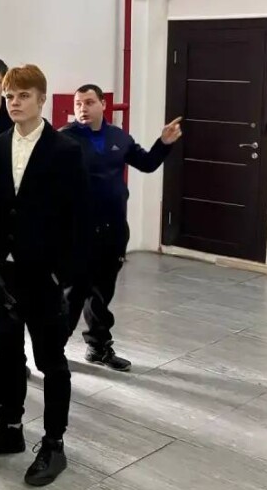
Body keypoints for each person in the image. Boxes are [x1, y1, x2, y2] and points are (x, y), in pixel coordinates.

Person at [0, 65, 88, 488]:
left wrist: (64, 275)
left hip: (45, 275)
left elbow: (79, 216)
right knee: (6, 356)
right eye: (9, 96)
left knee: (50, 360)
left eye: (23, 95)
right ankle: (9, 428)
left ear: (42, 99)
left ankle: (54, 442)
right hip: (5, 272)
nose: (14, 102)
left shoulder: (66, 150)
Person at [63, 84, 182, 370]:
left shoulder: (119, 137)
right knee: (73, 293)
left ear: (103, 104)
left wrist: (163, 143)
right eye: (78, 103)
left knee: (102, 292)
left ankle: (98, 347)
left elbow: (147, 163)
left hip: (114, 229)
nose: (82, 108)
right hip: (79, 231)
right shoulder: (64, 139)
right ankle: (53, 349)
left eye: (89, 102)